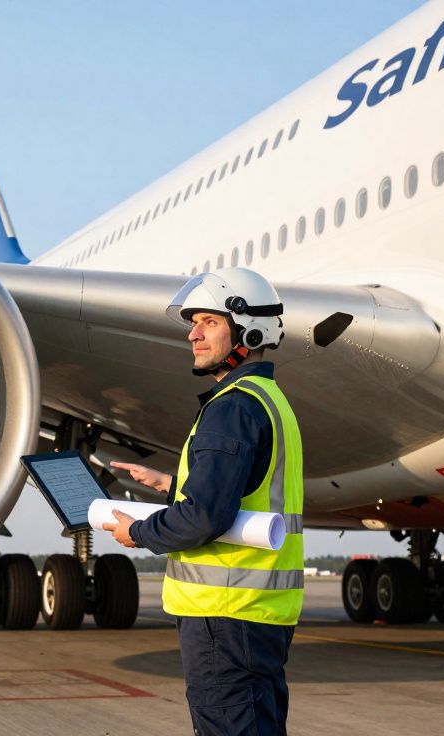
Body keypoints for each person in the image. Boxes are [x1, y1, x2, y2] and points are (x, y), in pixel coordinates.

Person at [101, 267, 304, 736]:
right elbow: (245, 492)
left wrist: (138, 531)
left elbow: (206, 517)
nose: (192, 334)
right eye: (194, 322)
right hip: (258, 613)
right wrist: (170, 484)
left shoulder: (231, 407)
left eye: (209, 322)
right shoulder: (268, 399)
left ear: (249, 329)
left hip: (224, 614)